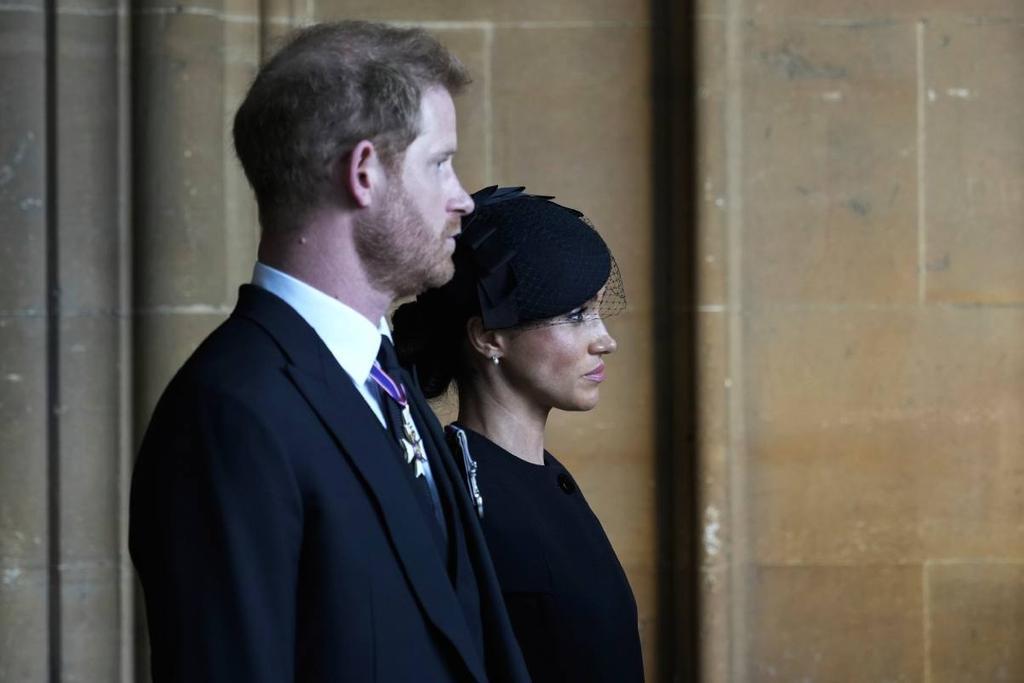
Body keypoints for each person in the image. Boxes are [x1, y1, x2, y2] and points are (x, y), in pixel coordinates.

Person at [129, 22, 530, 682]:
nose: (462, 199)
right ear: (364, 172)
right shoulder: (230, 416)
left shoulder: (384, 379)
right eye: (439, 163)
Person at [392, 186, 645, 682]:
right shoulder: (456, 497)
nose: (605, 340)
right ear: (489, 338)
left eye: (595, 311)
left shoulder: (546, 479)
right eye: (575, 316)